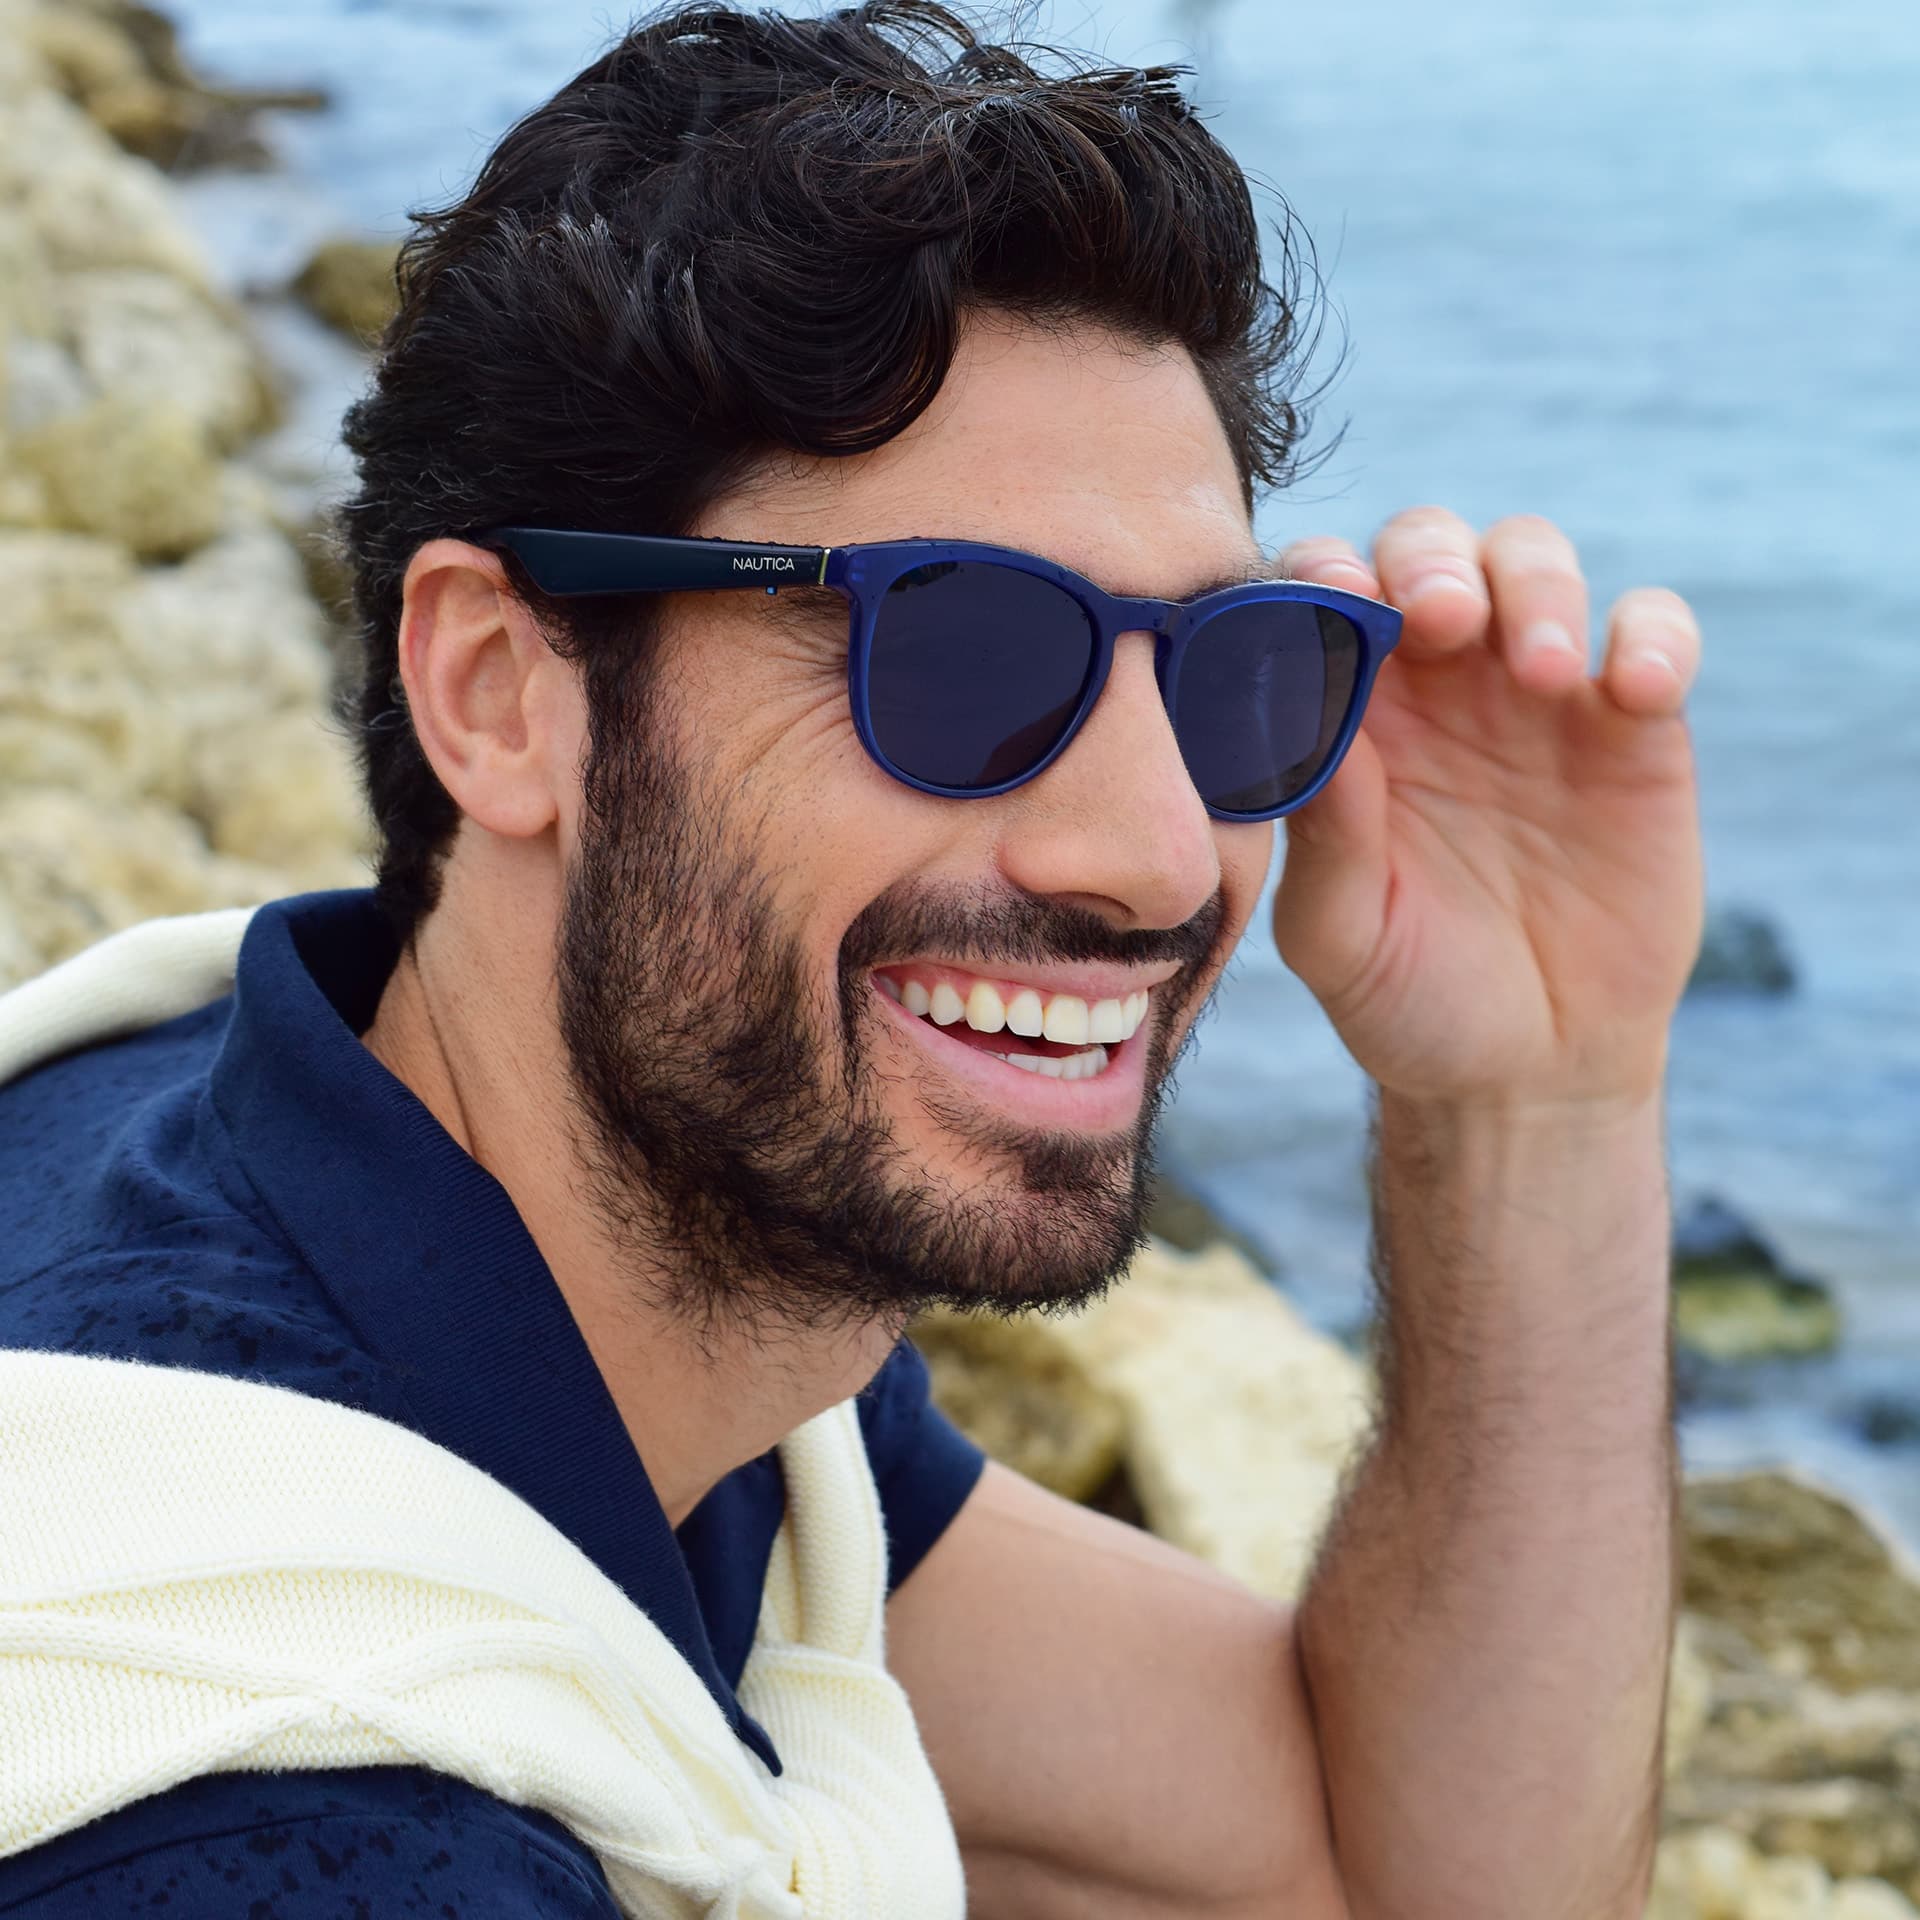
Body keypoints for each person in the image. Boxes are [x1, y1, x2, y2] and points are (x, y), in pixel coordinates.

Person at [0, 2, 1705, 1914]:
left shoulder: (418, 1210)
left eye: (1231, 676)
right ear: (496, 691)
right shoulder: (279, 1818)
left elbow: (1385, 1869)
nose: (1155, 853)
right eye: (961, 650)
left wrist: (1540, 1100)